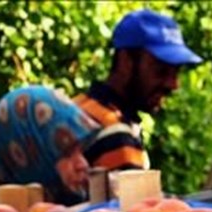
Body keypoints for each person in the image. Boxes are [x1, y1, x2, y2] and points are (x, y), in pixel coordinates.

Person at [73, 8, 202, 172]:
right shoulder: (115, 134)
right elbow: (134, 198)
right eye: (160, 70)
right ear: (126, 61)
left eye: (176, 72)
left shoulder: (80, 106)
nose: (173, 85)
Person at [0, 85, 95, 212]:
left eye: (80, 151)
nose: (83, 164)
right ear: (27, 154)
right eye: (66, 153)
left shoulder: (56, 194)